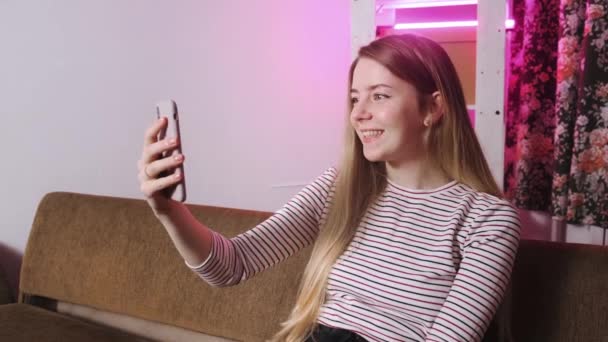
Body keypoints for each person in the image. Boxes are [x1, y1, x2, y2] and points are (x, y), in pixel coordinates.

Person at [137, 33, 521, 342]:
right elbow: (231, 266)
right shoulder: (342, 186)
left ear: (432, 108)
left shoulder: (488, 220)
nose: (358, 113)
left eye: (380, 96)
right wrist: (168, 210)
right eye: (355, 98)